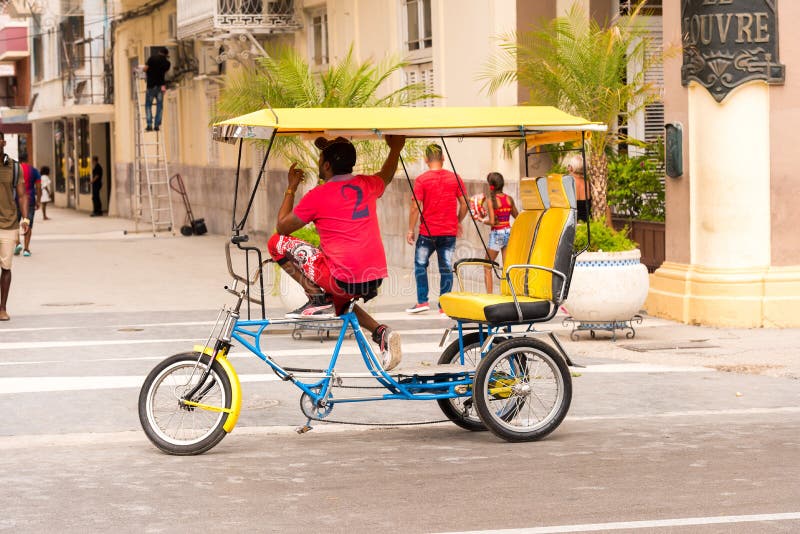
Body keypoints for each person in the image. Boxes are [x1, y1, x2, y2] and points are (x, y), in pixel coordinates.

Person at [268, 135, 406, 371]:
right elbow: (387, 174)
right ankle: (380, 332)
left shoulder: (318, 195)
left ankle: (315, 296)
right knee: (340, 304)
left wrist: (291, 187)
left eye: (321, 157)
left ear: (327, 165)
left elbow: (282, 227)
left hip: (342, 278)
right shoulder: (367, 184)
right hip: (373, 277)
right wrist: (396, 149)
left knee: (275, 243)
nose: (319, 161)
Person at [405, 143, 468, 314]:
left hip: (428, 233)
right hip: (448, 232)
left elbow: (415, 207)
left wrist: (410, 229)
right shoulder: (455, 178)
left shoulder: (422, 180)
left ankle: (422, 302)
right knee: (446, 268)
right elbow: (465, 204)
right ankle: (444, 305)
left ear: (426, 159)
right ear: (443, 158)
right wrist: (457, 221)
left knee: (420, 265)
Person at [0, 131, 30, 321]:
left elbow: (21, 195)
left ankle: (2, 308)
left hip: (8, 223)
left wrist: (25, 219)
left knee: (6, 267)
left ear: (2, 142)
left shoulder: (14, 167)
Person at [481, 172, 518, 293]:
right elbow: (517, 216)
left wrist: (482, 220)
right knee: (507, 266)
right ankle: (508, 293)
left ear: (490, 185)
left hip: (497, 234)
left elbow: (492, 221)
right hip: (508, 232)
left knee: (487, 265)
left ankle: (490, 296)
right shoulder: (509, 199)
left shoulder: (491, 200)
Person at [14, 158, 40, 257]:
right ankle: (26, 249)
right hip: (30, 201)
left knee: (14, 224)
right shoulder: (34, 170)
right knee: (27, 222)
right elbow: (38, 186)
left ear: (19, 160)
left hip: (16, 200)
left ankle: (17, 244)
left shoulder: (15, 171)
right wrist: (38, 201)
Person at [142, 47, 170, 132]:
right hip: (161, 87)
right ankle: (157, 125)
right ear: (166, 54)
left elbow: (145, 69)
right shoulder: (167, 63)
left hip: (151, 86)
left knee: (148, 106)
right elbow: (165, 72)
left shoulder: (152, 58)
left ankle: (149, 125)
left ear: (159, 52)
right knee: (159, 106)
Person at [566, 154, 589, 222]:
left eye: (569, 165)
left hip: (571, 223)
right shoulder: (588, 183)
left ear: (571, 168)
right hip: (587, 223)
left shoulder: (567, 182)